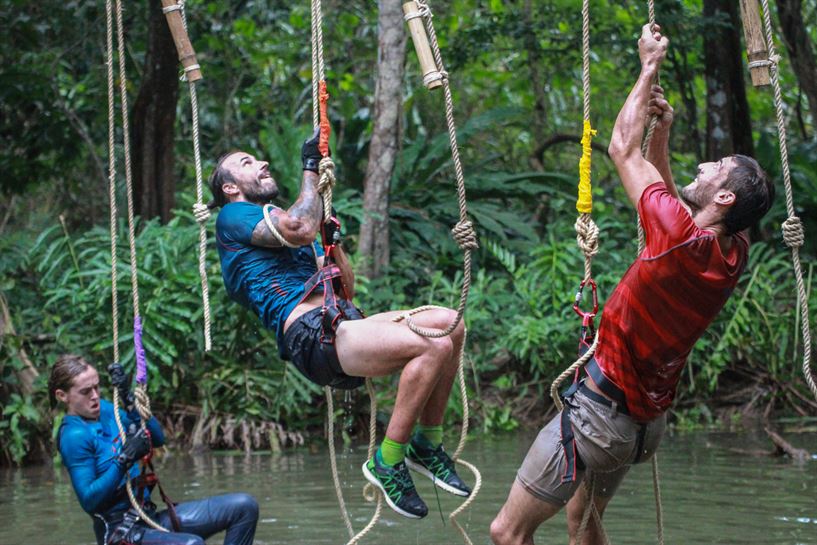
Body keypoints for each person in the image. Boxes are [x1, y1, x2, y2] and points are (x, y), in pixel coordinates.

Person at [490, 24, 775, 545]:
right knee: (583, 526)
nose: (704, 164)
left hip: (599, 415)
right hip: (639, 427)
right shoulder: (733, 253)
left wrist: (648, 66)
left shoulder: (678, 239)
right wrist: (661, 131)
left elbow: (622, 148)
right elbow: (673, 199)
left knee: (507, 533)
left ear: (725, 199)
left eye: (716, 168)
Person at [210, 130, 470, 519]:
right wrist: (310, 167)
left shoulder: (281, 224)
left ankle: (426, 444)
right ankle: (388, 460)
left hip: (340, 321)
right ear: (230, 188)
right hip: (311, 335)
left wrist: (334, 245)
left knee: (450, 324)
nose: (261, 163)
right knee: (434, 344)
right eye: (247, 163)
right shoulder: (233, 216)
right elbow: (299, 227)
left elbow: (345, 290)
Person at [50, 354, 259, 545]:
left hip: (147, 517)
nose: (95, 396)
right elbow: (89, 501)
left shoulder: (105, 409)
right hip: (120, 533)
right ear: (62, 395)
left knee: (244, 507)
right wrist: (124, 459)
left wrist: (128, 398)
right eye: (85, 392)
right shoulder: (74, 436)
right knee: (192, 544)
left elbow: (158, 439)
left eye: (97, 387)